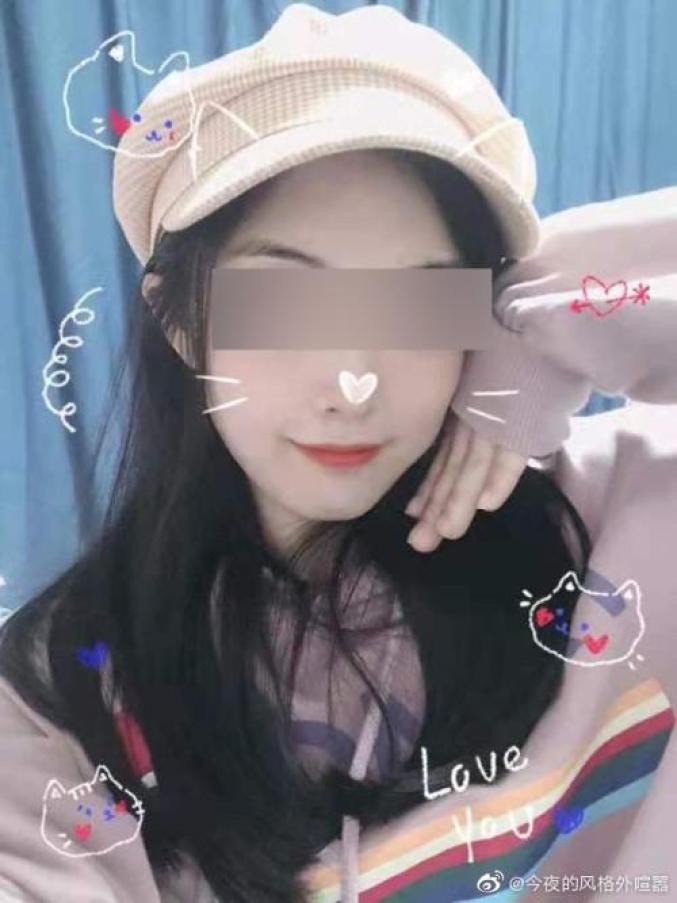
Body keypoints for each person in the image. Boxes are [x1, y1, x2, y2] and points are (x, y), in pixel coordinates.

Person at [1, 4, 676, 901]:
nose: (353, 381)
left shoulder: (628, 514)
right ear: (178, 319)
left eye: (417, 306)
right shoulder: (58, 699)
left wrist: (543, 329)